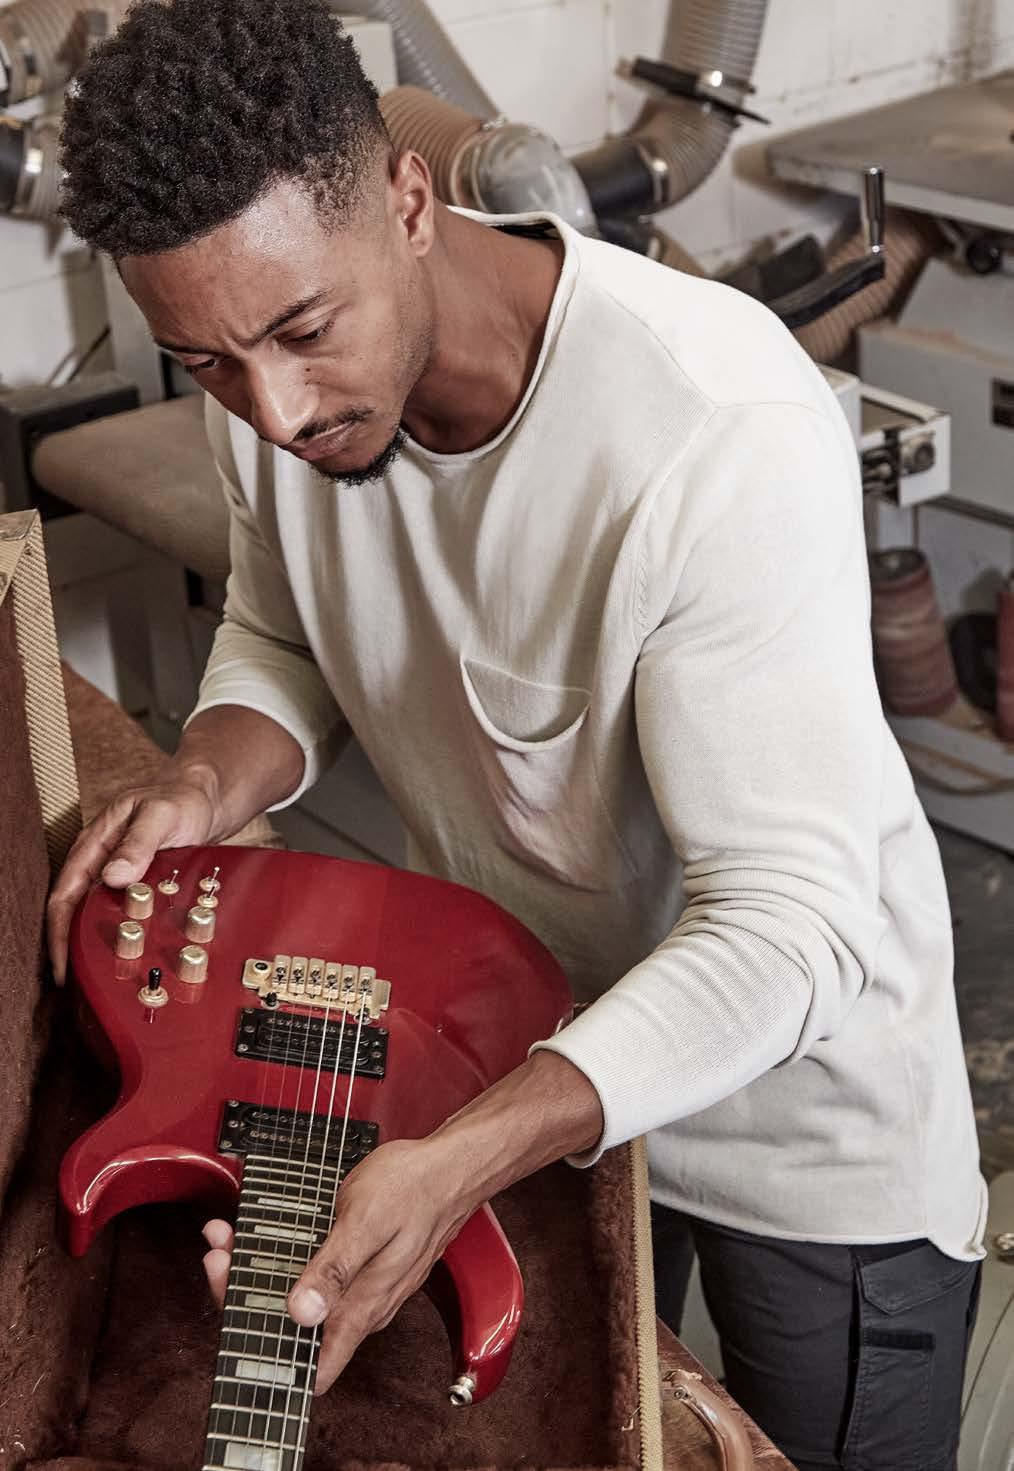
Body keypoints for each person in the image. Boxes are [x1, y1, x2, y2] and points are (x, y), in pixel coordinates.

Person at [48, 1, 985, 1465]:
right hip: (509, 1057)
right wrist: (203, 780)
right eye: (211, 363)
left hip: (795, 1122)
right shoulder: (263, 374)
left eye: (304, 332)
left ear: (411, 204)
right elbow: (285, 635)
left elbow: (790, 928)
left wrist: (457, 1159)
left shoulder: (711, 433)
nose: (275, 412)